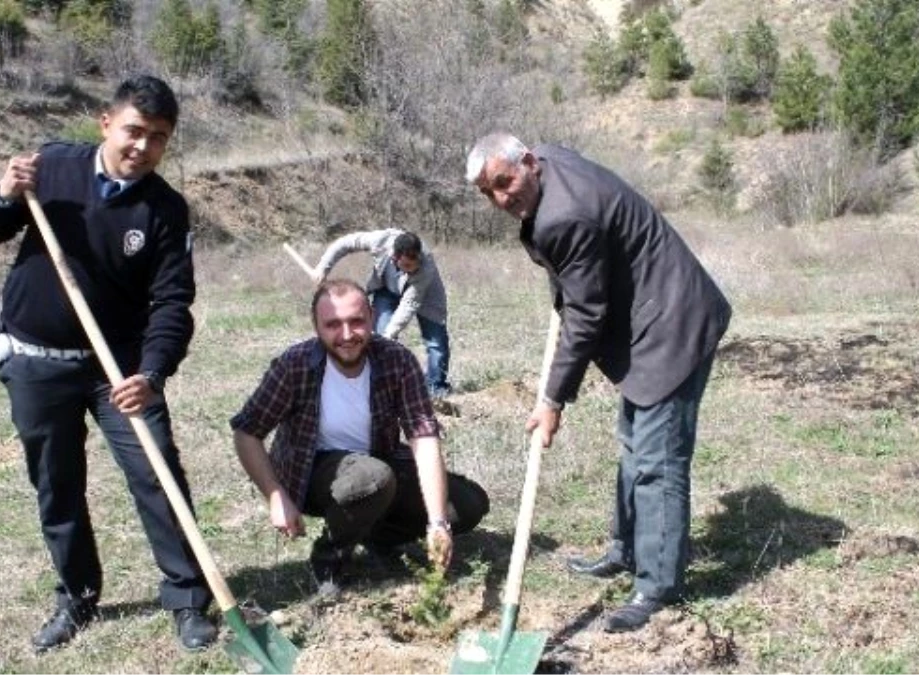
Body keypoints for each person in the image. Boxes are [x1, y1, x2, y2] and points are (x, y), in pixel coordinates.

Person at [0, 75, 216, 653]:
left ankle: (187, 599)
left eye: (158, 138)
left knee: (158, 475)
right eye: (134, 131)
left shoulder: (165, 210)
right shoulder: (53, 166)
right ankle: (77, 595)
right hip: (36, 362)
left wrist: (151, 374)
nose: (142, 147)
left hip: (121, 372)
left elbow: (173, 303)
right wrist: (4, 193)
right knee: (56, 484)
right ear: (105, 122)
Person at [465, 133, 731, 632]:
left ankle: (658, 586)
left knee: (657, 460)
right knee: (635, 444)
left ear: (528, 162)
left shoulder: (567, 214)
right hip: (648, 317)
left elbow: (585, 319)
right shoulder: (548, 164)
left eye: (506, 182)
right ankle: (626, 550)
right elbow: (573, 280)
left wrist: (552, 400)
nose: (502, 198)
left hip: (673, 324)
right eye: (489, 192)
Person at [229, 279, 489, 596]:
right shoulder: (295, 365)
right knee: (372, 476)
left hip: (379, 466)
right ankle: (330, 557)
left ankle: (374, 534)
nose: (347, 335)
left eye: (356, 321)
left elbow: (423, 438)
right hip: (312, 473)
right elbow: (247, 431)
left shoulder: (396, 360)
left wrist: (437, 523)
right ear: (316, 326)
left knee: (467, 505)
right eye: (333, 324)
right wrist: (274, 495)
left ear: (371, 316)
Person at [310, 229, 452, 398]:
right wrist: (323, 268)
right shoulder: (380, 241)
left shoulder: (425, 266)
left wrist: (390, 334)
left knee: (435, 341)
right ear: (395, 257)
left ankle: (436, 388)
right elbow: (345, 244)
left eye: (414, 267)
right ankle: (388, 385)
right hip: (386, 288)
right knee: (381, 336)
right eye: (406, 266)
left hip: (426, 295)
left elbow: (409, 304)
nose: (410, 271)